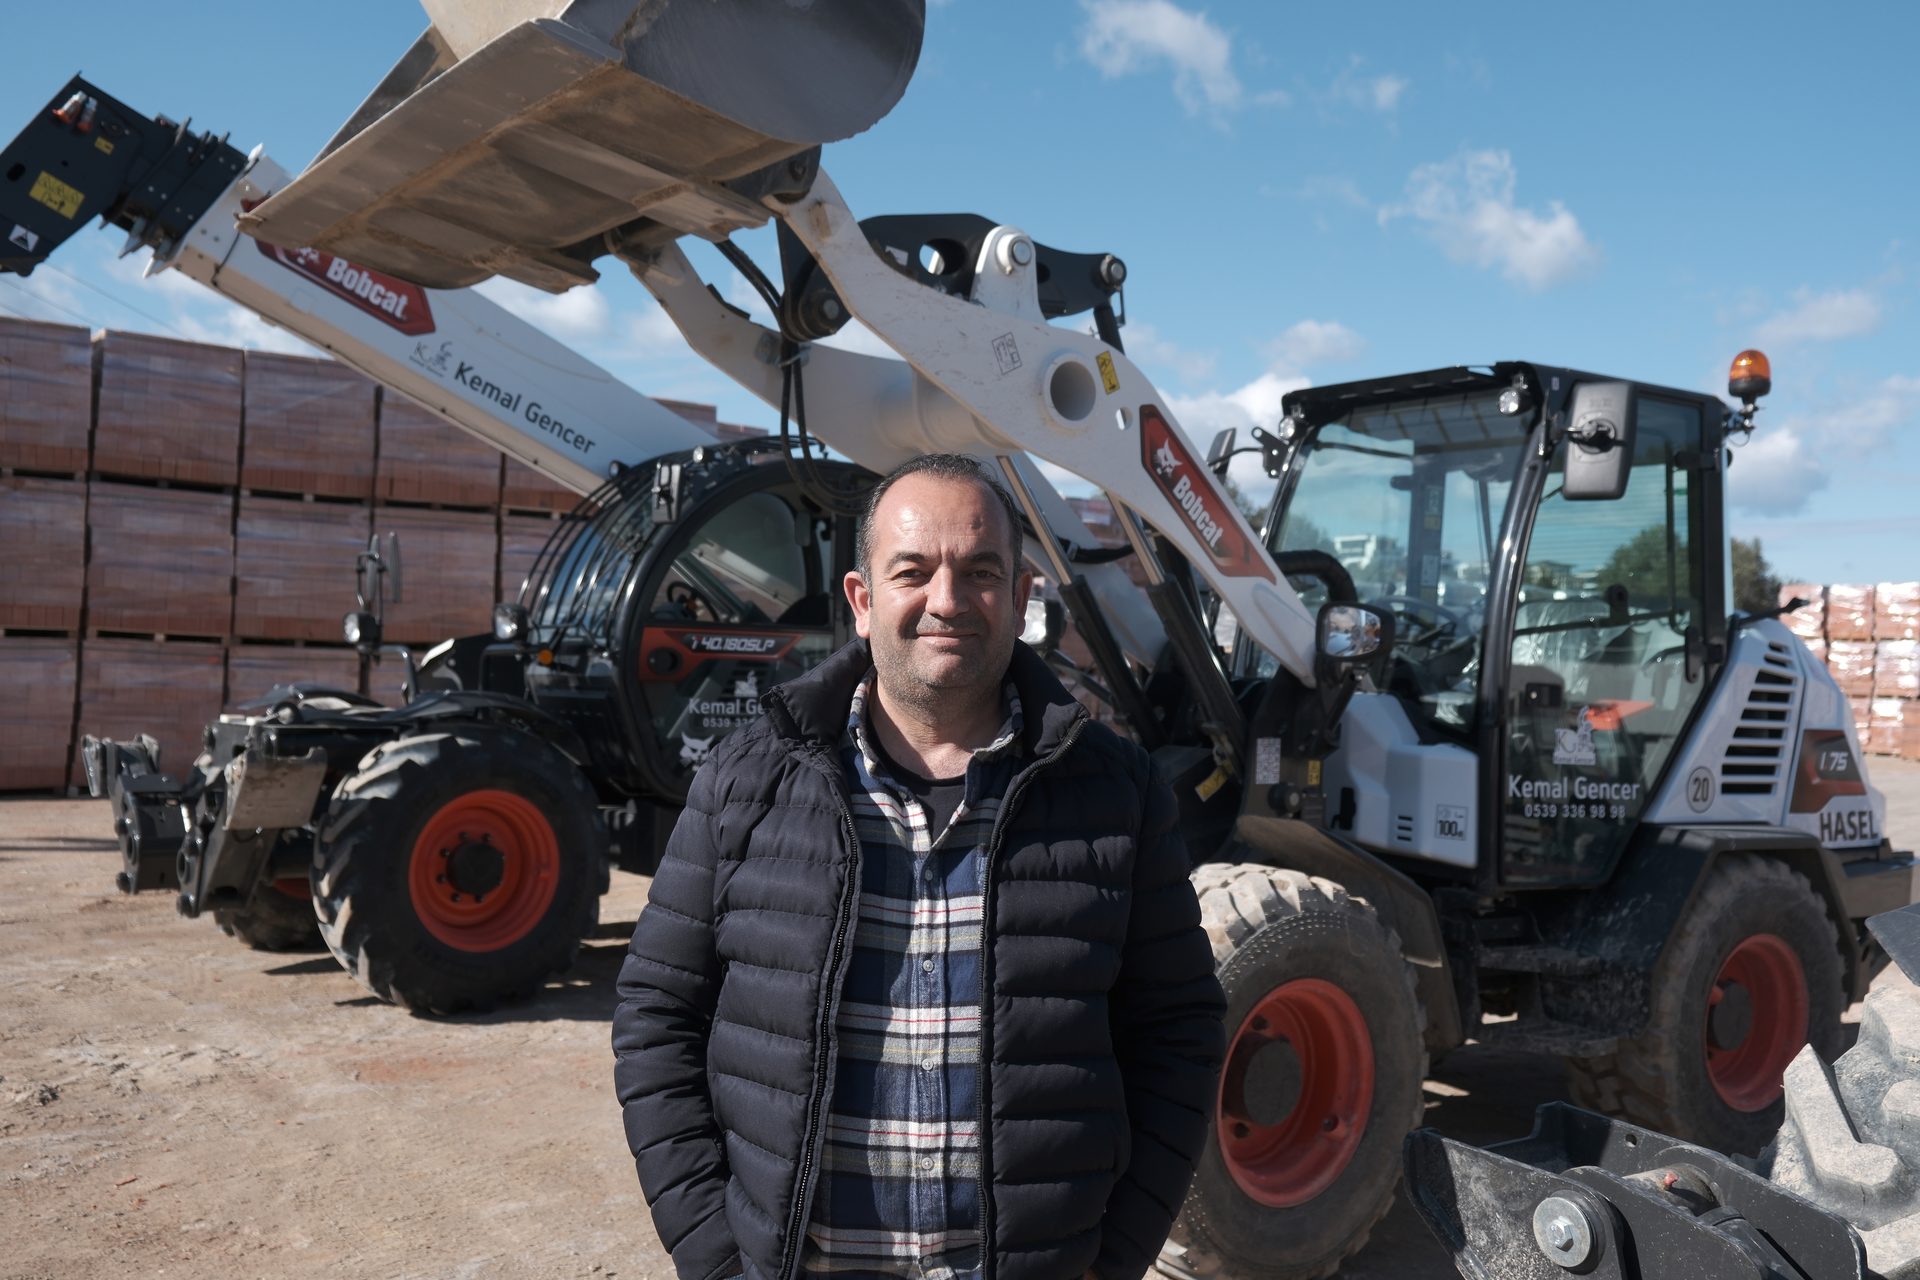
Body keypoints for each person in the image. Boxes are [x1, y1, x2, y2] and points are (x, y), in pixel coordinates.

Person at [613, 454, 1225, 1280]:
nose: (947, 600)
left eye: (980, 572)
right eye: (914, 572)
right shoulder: (746, 783)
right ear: (864, 602)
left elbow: (1179, 1034)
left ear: (1019, 599)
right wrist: (719, 1260)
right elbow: (658, 1017)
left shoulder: (1115, 794)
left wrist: (1108, 1261)